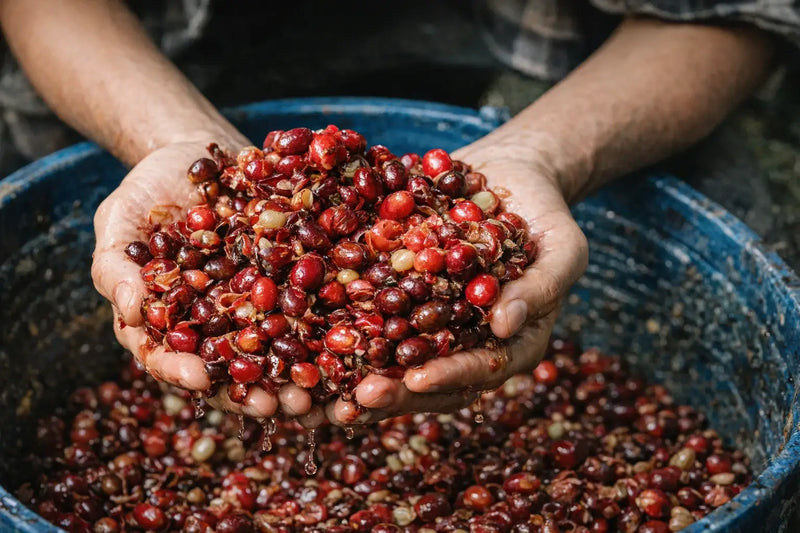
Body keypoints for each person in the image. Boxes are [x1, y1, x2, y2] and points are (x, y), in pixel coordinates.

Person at [0, 0, 784, 426]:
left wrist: (545, 153)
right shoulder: (276, 243)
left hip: (571, 69)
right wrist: (177, 138)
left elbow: (737, 13)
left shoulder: (408, 239)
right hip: (169, 62)